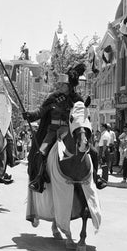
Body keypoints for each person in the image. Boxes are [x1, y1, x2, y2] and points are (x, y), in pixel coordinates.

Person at [22, 63, 86, 191]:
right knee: (41, 152)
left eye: (63, 84)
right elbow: (41, 111)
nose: (59, 86)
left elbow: (82, 117)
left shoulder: (78, 99)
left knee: (90, 151)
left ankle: (94, 177)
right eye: (60, 84)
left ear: (69, 86)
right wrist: (30, 115)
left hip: (72, 131)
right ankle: (39, 179)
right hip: (53, 132)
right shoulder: (53, 98)